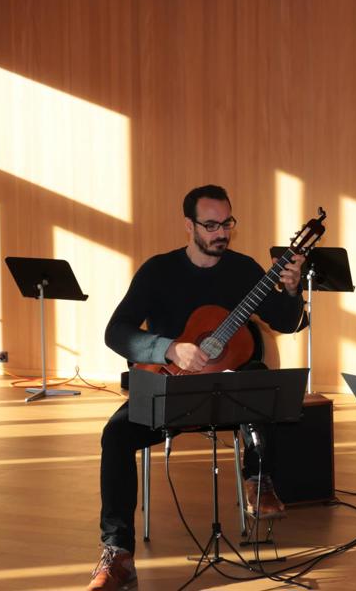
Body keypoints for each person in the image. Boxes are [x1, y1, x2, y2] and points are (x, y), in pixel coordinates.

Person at [87, 184, 308, 591]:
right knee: (115, 435)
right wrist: (169, 348)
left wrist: (293, 291)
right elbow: (115, 332)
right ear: (189, 225)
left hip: (227, 396)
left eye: (227, 223)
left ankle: (258, 478)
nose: (220, 232)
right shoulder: (158, 271)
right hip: (171, 391)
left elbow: (288, 321)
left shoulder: (243, 270)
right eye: (210, 225)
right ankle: (118, 554)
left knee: (263, 381)